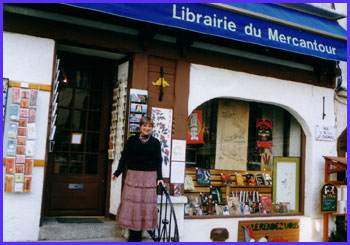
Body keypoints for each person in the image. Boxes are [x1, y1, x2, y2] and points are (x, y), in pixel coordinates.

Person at [112, 116, 164, 242]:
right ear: (140, 127)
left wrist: (160, 177)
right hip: (133, 177)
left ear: (152, 128)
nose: (147, 128)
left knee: (144, 207)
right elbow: (124, 157)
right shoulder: (132, 140)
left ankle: (139, 237)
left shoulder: (156, 142)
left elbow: (158, 161)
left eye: (149, 126)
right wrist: (117, 172)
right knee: (133, 206)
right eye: (145, 126)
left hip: (149, 178)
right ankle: (133, 237)